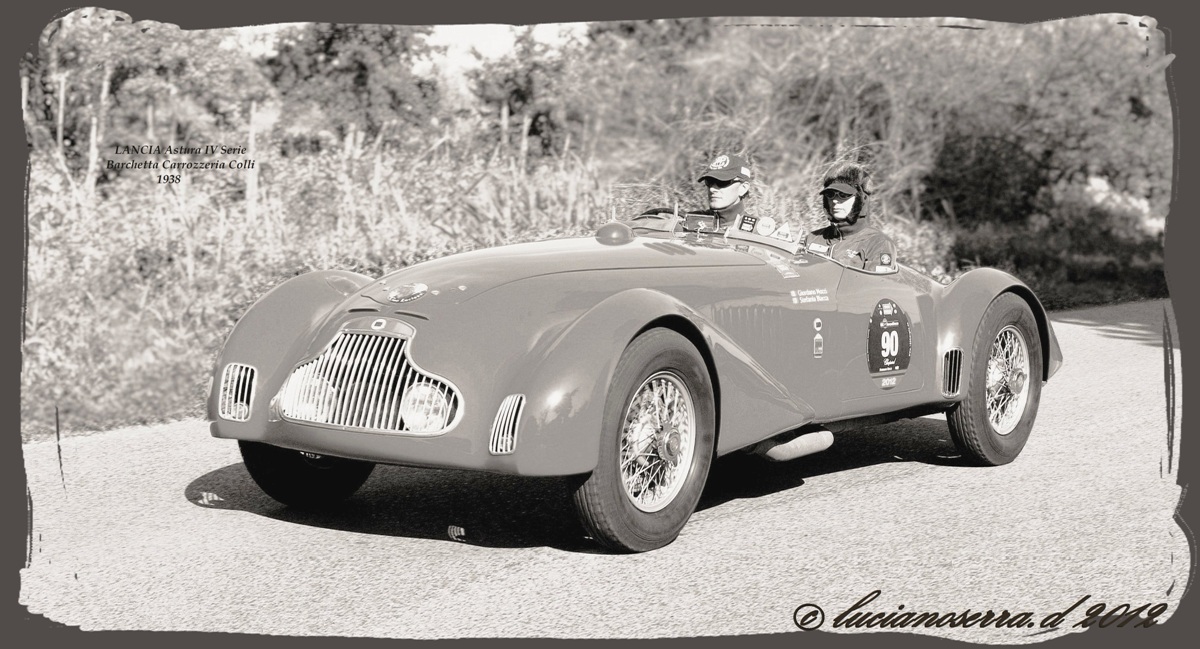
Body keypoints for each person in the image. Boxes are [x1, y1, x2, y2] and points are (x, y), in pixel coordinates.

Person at [806, 162, 897, 272]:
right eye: (830, 194)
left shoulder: (879, 244)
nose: (835, 200)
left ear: (861, 199)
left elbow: (876, 287)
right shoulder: (813, 238)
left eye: (843, 195)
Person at [694, 153, 754, 231]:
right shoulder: (690, 221)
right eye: (709, 182)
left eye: (722, 182)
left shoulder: (757, 233)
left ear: (743, 188)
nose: (712, 189)